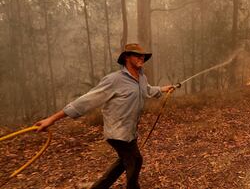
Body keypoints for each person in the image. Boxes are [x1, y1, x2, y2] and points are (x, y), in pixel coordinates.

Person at [35, 43, 174, 189]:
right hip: (117, 133)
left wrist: (163, 89)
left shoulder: (141, 77)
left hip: (130, 132)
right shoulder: (114, 80)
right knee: (134, 160)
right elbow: (85, 101)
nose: (142, 57)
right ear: (127, 57)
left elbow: (147, 90)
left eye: (143, 55)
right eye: (137, 55)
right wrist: (51, 119)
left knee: (125, 162)